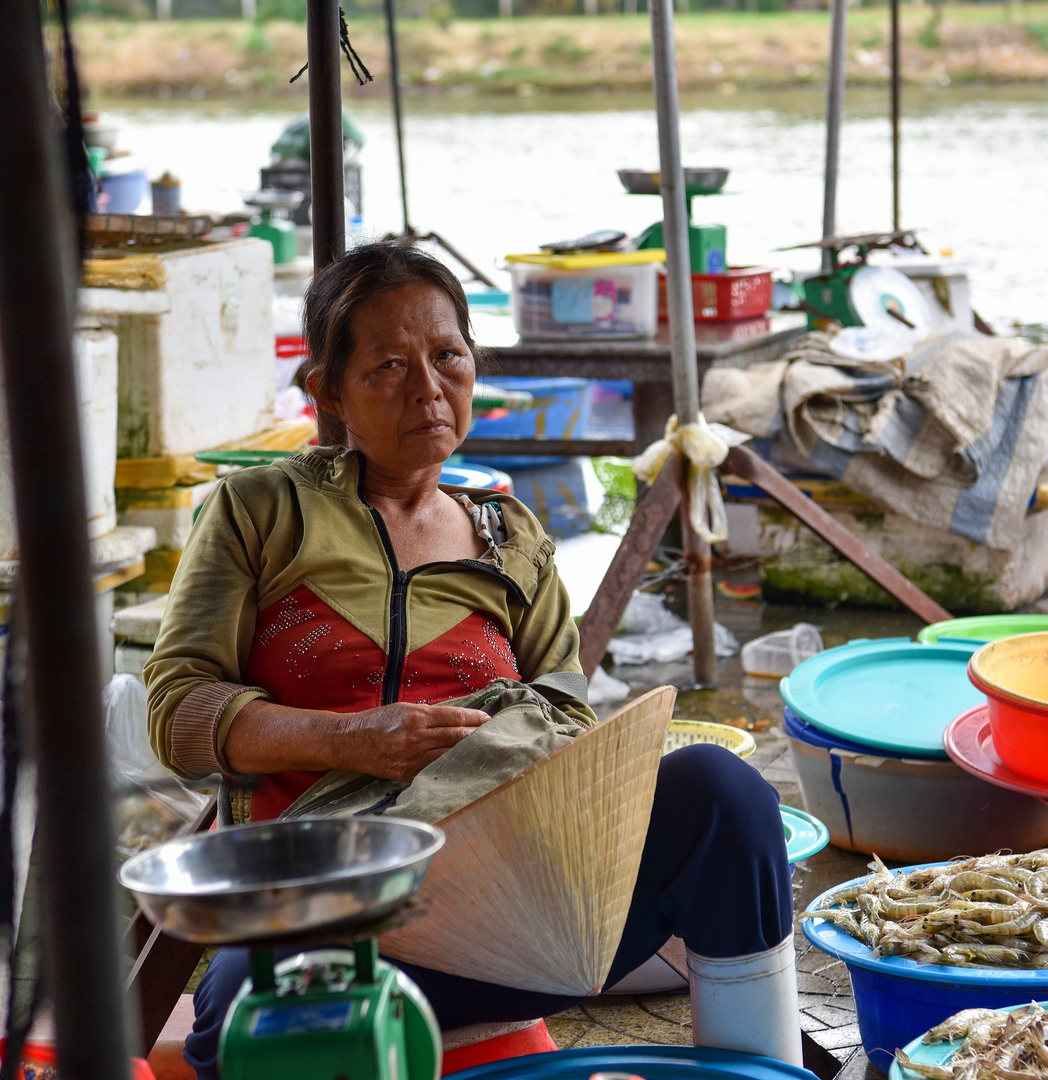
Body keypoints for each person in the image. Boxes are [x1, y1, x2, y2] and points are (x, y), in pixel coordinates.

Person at [145, 240, 799, 1078]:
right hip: (331, 906)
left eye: (447, 355)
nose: (428, 387)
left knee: (723, 793)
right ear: (327, 392)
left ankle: (763, 1070)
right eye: (387, 366)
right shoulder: (258, 512)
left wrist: (500, 754)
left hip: (514, 910)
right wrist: (353, 742)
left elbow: (567, 711)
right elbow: (178, 710)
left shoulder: (510, 536)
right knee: (249, 1008)